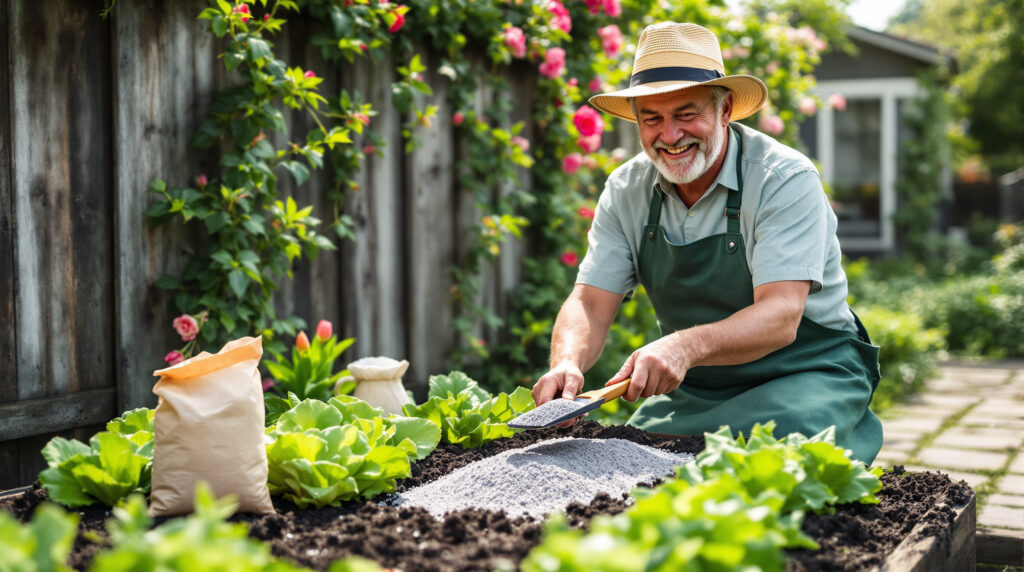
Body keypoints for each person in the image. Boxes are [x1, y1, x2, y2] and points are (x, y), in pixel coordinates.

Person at [530, 22, 883, 463]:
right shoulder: (625, 190)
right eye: (652, 119)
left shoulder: (783, 179)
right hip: (695, 389)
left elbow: (781, 315)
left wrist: (683, 346)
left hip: (809, 373)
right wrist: (567, 363)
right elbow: (590, 303)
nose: (670, 135)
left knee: (775, 456)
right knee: (628, 456)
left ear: (725, 109)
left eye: (686, 114)